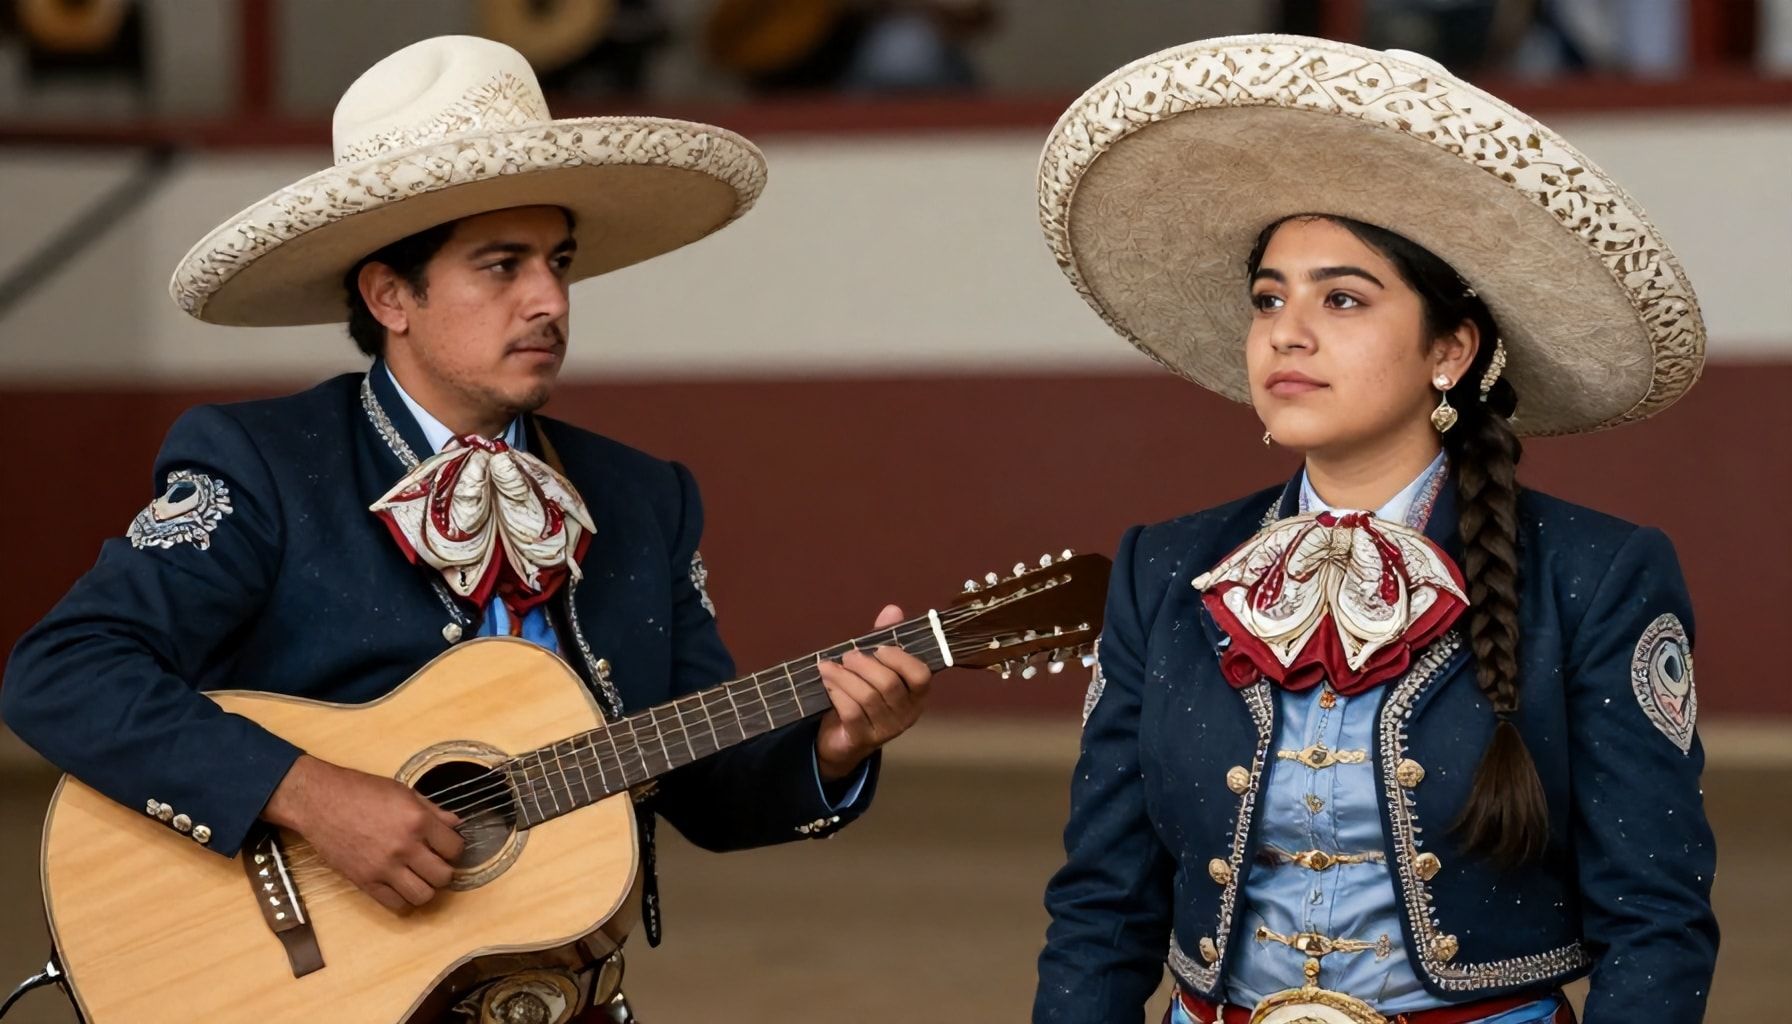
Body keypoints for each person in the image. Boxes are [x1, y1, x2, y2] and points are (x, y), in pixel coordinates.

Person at [1, 35, 931, 1023]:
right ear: (389, 294)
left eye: (557, 262)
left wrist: (827, 749)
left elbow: (700, 779)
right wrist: (307, 791)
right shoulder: (265, 464)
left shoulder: (640, 497)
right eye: (502, 266)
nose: (550, 300)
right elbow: (62, 671)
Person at [1031, 35, 1716, 1024]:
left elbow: (1654, 919)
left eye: (1341, 298)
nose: (1287, 331)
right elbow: (1102, 906)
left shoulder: (1595, 573)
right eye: (1269, 298)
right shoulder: (1165, 569)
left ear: (1450, 349)